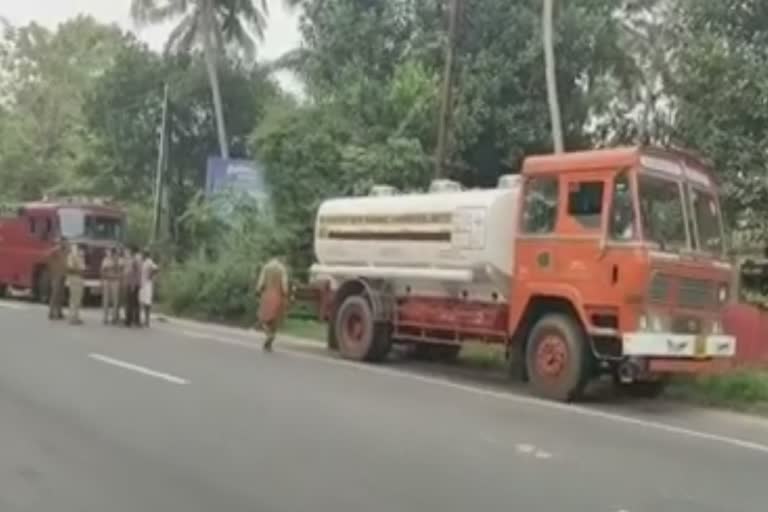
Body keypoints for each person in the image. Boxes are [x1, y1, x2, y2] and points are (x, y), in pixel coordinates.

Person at [256, 257, 290, 352]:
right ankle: (271, 340)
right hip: (278, 296)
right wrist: (285, 294)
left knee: (263, 318)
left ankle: (268, 334)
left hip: (267, 295)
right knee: (275, 320)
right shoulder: (282, 269)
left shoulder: (266, 267)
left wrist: (258, 291)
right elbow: (284, 285)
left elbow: (261, 282)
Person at [47, 238, 68, 320]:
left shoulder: (65, 251)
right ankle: (51, 312)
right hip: (56, 275)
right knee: (55, 293)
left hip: (63, 274)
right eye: (64, 242)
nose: (66, 243)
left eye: (66, 242)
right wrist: (52, 268)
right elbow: (48, 257)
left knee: (61, 294)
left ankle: (59, 312)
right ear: (61, 242)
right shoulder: (56, 250)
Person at [66, 242, 86, 325]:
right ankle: (72, 318)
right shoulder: (72, 256)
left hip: (80, 279)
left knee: (78, 299)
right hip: (74, 279)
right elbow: (70, 268)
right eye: (82, 250)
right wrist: (78, 270)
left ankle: (76, 317)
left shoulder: (81, 257)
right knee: (73, 299)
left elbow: (82, 268)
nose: (83, 252)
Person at [100, 247, 121, 324]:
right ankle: (105, 318)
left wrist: (115, 261)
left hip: (115, 282)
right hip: (107, 281)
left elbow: (119, 270)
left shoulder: (118, 260)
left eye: (116, 253)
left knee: (115, 300)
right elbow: (102, 271)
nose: (115, 255)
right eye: (114, 253)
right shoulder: (106, 260)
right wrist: (102, 281)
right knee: (106, 300)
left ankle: (114, 318)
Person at [139, 249, 159, 327]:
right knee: (142, 302)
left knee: (147, 303)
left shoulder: (149, 261)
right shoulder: (143, 262)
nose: (142, 255)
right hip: (142, 284)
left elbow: (156, 269)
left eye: (143, 254)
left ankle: (147, 321)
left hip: (147, 284)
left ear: (145, 255)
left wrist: (150, 276)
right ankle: (144, 320)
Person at [123, 246, 142, 327]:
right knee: (134, 303)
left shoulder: (134, 260)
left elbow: (135, 274)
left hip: (132, 284)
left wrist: (133, 285)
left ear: (132, 251)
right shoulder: (133, 260)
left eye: (128, 250)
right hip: (132, 283)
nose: (126, 252)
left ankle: (129, 321)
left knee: (130, 303)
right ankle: (135, 320)